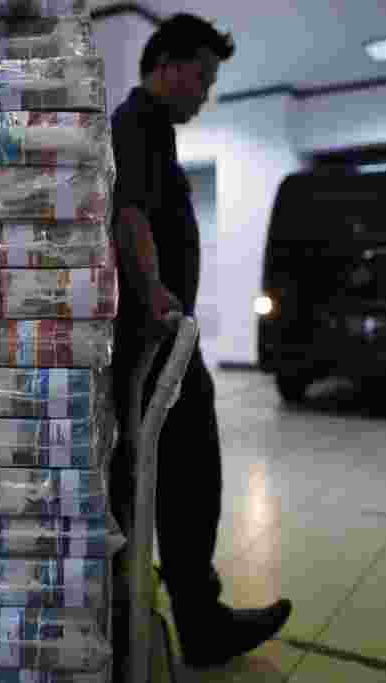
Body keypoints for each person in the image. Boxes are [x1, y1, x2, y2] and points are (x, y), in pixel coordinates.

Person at [108, 13, 293, 670]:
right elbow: (128, 210)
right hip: (156, 339)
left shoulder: (153, 130)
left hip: (167, 339)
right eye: (203, 77)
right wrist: (154, 289)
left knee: (184, 478)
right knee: (187, 478)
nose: (205, 92)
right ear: (169, 65)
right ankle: (198, 621)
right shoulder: (136, 125)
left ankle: (196, 614)